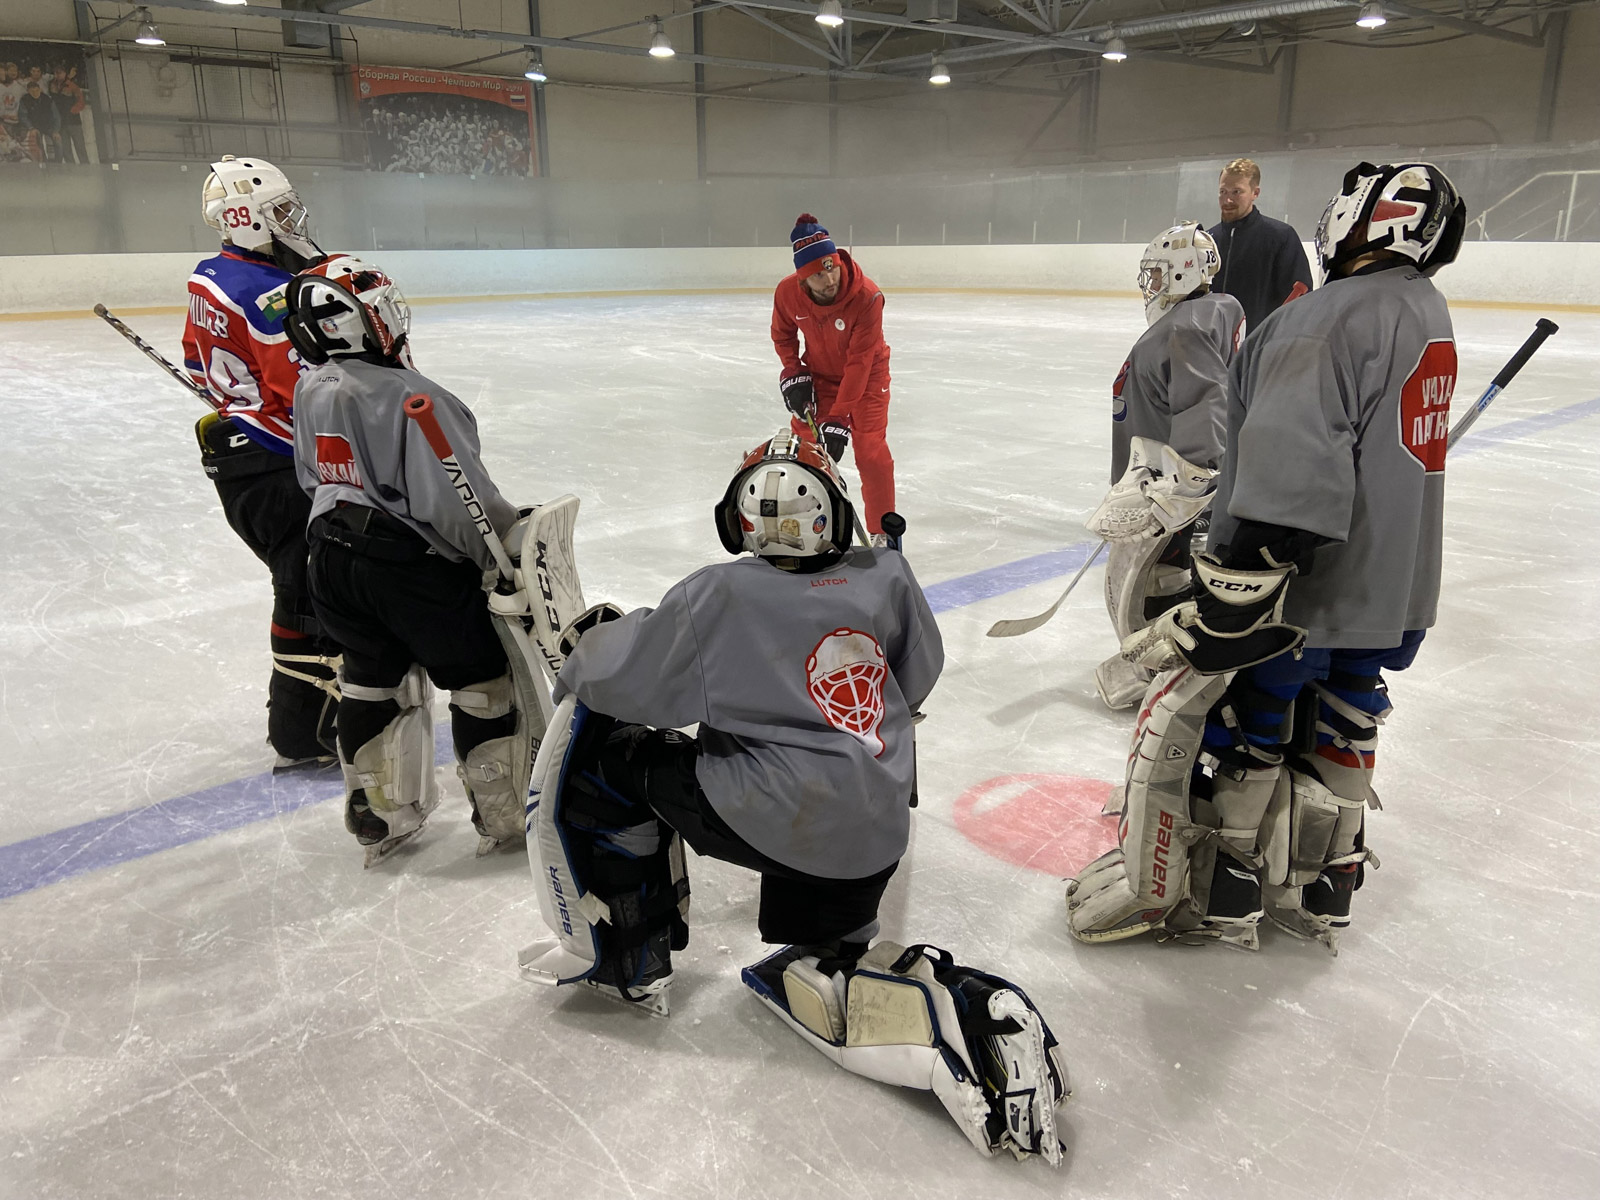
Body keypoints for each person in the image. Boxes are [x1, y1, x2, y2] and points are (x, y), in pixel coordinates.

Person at [519, 433, 1069, 1164]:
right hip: (874, 828)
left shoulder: (716, 594)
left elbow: (626, 681)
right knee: (816, 935)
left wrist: (587, 645)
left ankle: (628, 951)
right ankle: (837, 956)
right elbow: (919, 674)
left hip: (782, 822)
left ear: (737, 519)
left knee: (615, 764)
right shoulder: (886, 574)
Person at [1068, 161, 1466, 955]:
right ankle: (1326, 883)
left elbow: (1291, 471)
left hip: (1303, 597)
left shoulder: (1321, 322)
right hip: (1390, 586)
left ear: (1366, 218)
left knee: (1248, 726)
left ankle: (1223, 895)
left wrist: (1234, 595)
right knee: (1347, 713)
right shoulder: (1422, 306)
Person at [286, 257, 528, 865]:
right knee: (481, 683)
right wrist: (506, 549)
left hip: (328, 558)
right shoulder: (415, 397)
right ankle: (501, 814)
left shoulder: (309, 386)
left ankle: (378, 814)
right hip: (406, 569)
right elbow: (456, 506)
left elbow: (310, 476)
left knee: (370, 678)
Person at [182, 155, 340, 769]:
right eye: (276, 209)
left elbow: (199, 363)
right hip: (281, 466)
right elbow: (308, 388)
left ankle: (313, 709)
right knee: (307, 585)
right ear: (244, 217)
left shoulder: (210, 276)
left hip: (241, 462)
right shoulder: (267, 295)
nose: (288, 218)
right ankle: (302, 728)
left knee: (305, 579)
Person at [1086, 221, 1246, 710]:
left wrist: (1183, 488)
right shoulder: (1203, 318)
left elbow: (1204, 409)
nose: (1150, 286)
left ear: (1181, 273)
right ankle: (1169, 664)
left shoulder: (1186, 327)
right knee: (1169, 576)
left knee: (1149, 581)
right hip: (1158, 481)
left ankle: (1163, 674)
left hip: (1163, 490)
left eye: (1157, 274)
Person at [770, 214, 896, 542]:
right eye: (818, 274)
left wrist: (839, 416)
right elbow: (783, 334)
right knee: (807, 449)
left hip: (867, 376)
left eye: (832, 267)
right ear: (802, 280)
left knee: (869, 449)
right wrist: (793, 370)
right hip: (820, 376)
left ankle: (884, 533)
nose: (829, 279)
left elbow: (860, 362)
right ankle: (809, 528)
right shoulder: (786, 293)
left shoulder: (867, 297)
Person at [1207, 157, 1314, 329]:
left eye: (1236, 192)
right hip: (1212, 347)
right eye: (1223, 191)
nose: (1227, 200)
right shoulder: (1208, 240)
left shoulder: (1281, 236)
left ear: (1255, 193)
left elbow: (1299, 297)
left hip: (1259, 348)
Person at [17, 77, 58, 162]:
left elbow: (56, 116)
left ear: (40, 89)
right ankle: (43, 162)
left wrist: (55, 130)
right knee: (38, 143)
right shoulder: (24, 100)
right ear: (28, 91)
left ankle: (57, 163)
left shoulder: (47, 99)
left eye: (36, 90)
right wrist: (31, 127)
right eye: (32, 91)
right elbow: (23, 116)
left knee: (57, 143)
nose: (35, 93)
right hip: (35, 127)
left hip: (48, 126)